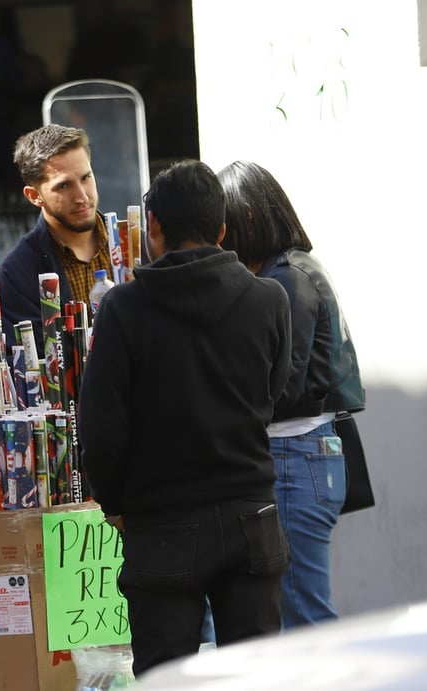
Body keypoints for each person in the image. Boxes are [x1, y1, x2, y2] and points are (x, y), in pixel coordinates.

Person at [78, 160, 292, 678]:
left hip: (161, 523)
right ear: (222, 230)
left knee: (164, 678)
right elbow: (274, 392)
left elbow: (102, 426)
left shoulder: (124, 309)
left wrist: (111, 501)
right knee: (257, 676)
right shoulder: (269, 299)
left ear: (153, 227)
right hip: (251, 518)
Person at [218, 160, 365, 629]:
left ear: (249, 218)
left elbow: (284, 384)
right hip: (299, 457)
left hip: (294, 455)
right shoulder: (290, 271)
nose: (222, 238)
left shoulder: (289, 279)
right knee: (296, 612)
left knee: (305, 615)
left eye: (228, 224)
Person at [0, 124, 112, 358]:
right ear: (34, 196)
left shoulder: (135, 245)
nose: (82, 197)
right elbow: (31, 367)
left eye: (86, 178)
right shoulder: (18, 274)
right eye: (64, 186)